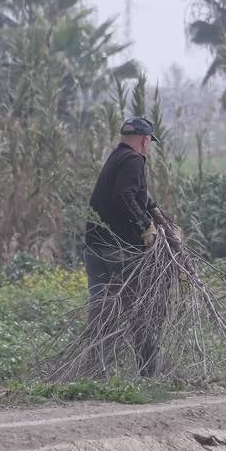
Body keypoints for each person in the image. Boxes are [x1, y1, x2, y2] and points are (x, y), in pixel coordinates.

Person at [84, 116, 172, 374]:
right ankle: (148, 372)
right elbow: (125, 196)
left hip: (95, 248)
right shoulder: (134, 160)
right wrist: (146, 226)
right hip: (119, 250)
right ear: (146, 141)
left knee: (101, 310)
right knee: (139, 309)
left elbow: (134, 192)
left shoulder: (116, 157)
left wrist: (156, 213)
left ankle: (97, 371)